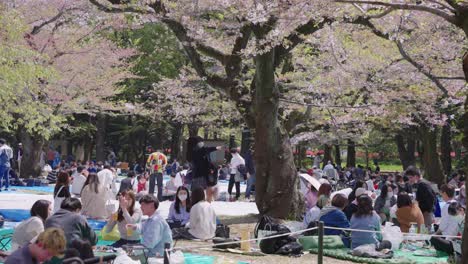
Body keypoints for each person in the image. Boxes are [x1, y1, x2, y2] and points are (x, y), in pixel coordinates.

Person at [186, 136, 222, 201]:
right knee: (200, 196)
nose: (202, 143)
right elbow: (204, 150)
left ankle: (204, 206)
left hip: (199, 176)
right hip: (201, 177)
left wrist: (213, 167)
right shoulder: (197, 151)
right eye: (200, 142)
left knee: (200, 195)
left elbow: (207, 162)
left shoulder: (192, 152)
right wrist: (216, 148)